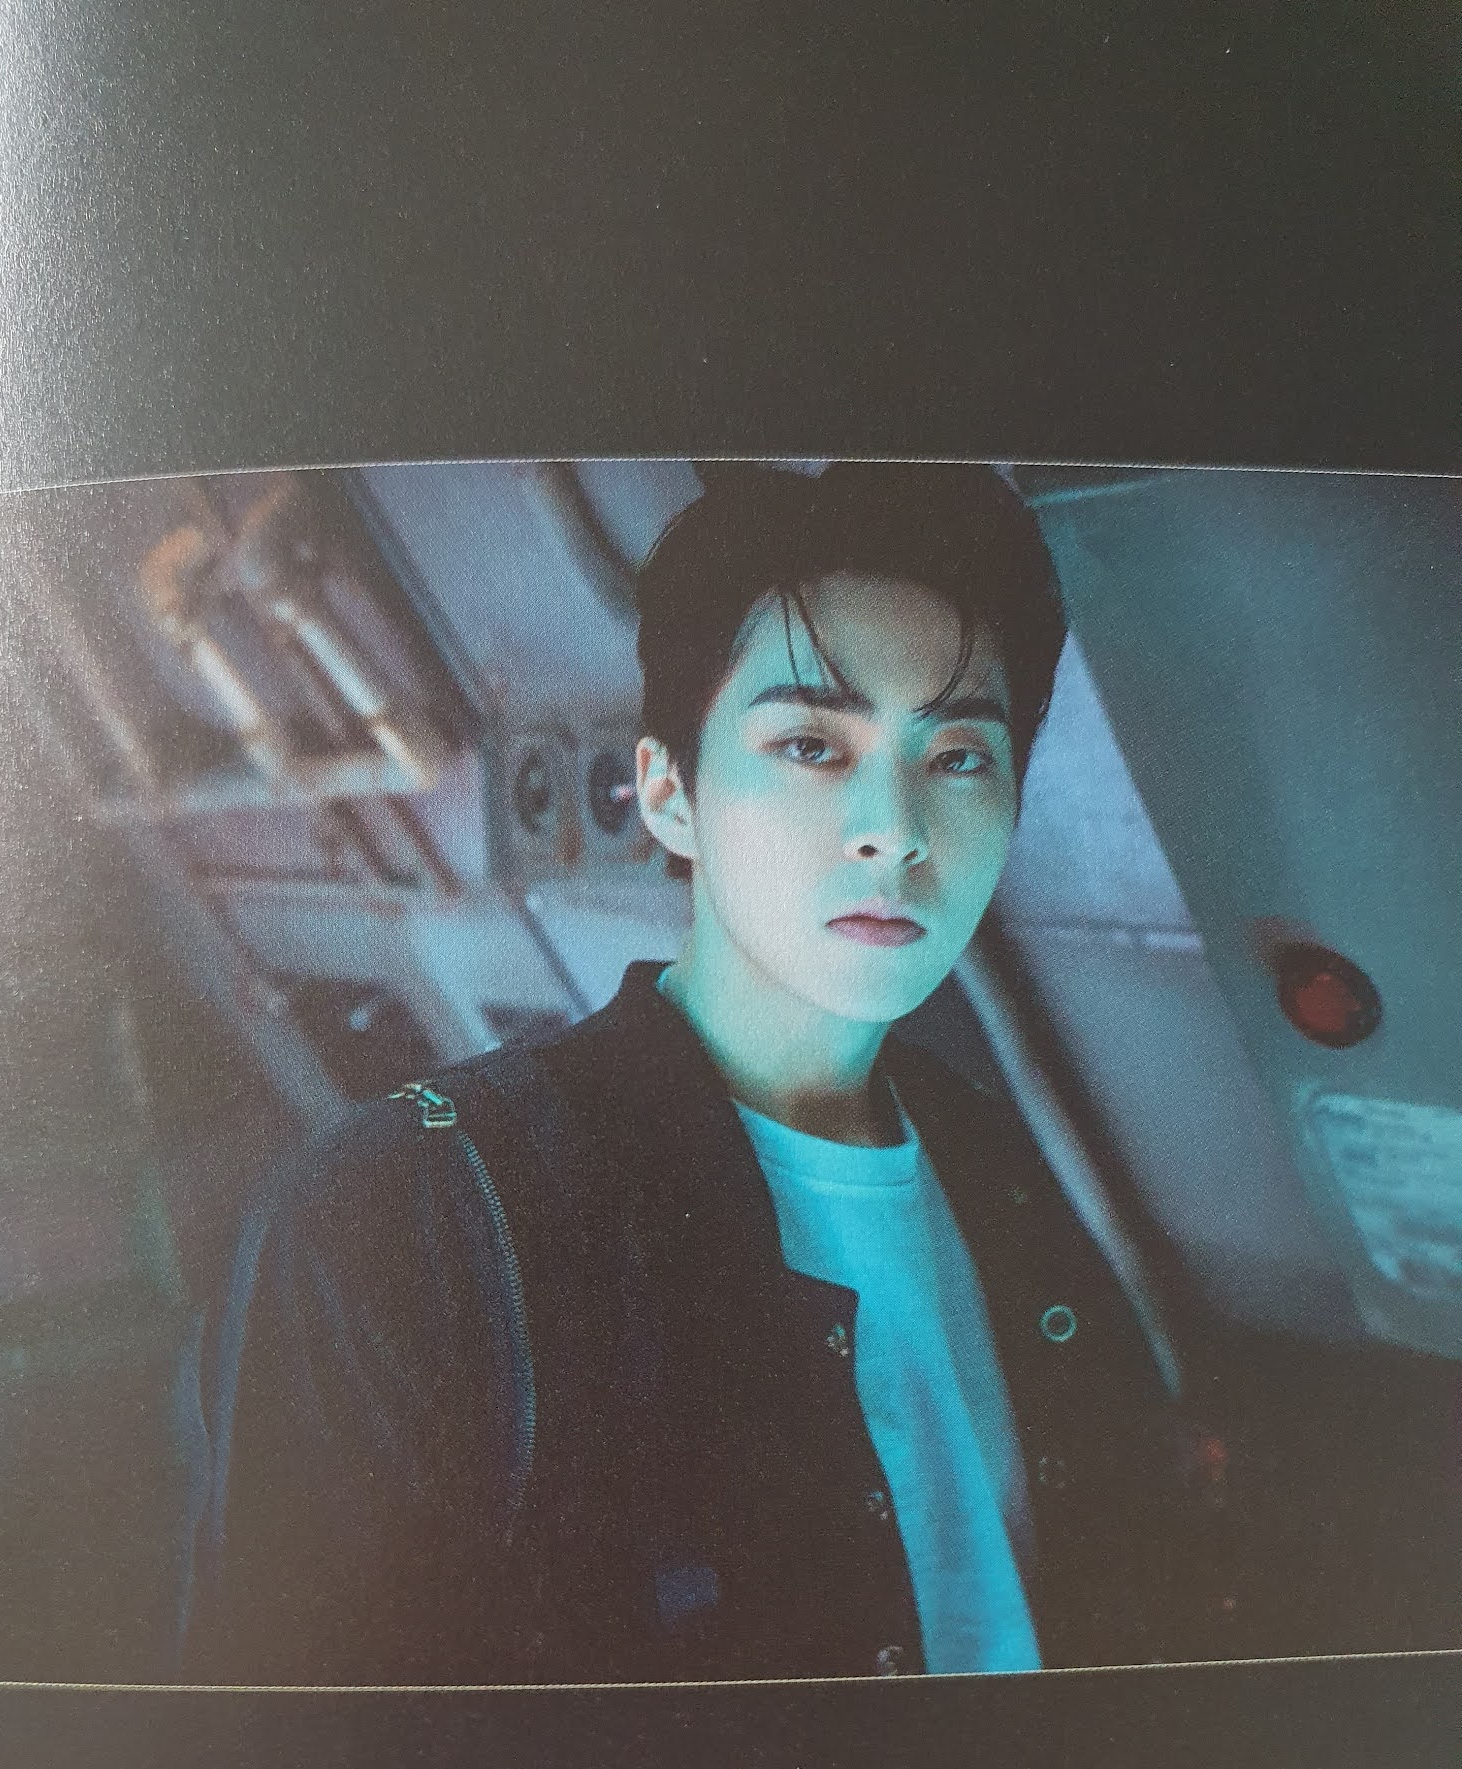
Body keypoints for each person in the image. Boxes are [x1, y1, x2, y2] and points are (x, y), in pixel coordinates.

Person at [184, 462, 1207, 1686]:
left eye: (958, 757)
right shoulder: (406, 1215)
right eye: (811, 743)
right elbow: (290, 1762)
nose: (895, 827)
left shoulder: (993, 1160)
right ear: (670, 793)